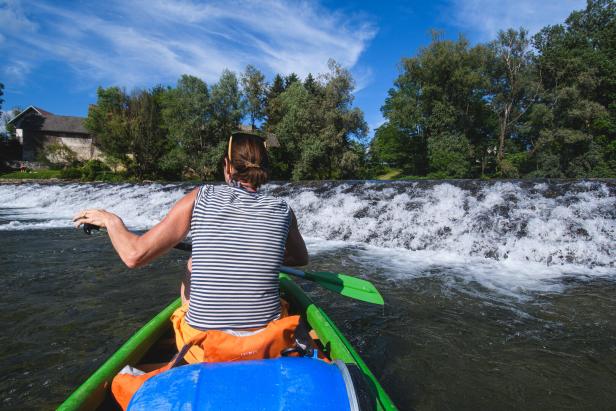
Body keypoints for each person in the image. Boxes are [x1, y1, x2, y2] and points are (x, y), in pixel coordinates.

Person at [73, 131, 308, 343]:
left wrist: (111, 221)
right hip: (267, 341)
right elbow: (300, 258)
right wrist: (261, 258)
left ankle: (199, 325)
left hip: (205, 345)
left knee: (193, 263)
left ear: (227, 166)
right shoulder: (283, 209)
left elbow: (134, 255)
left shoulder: (200, 197)